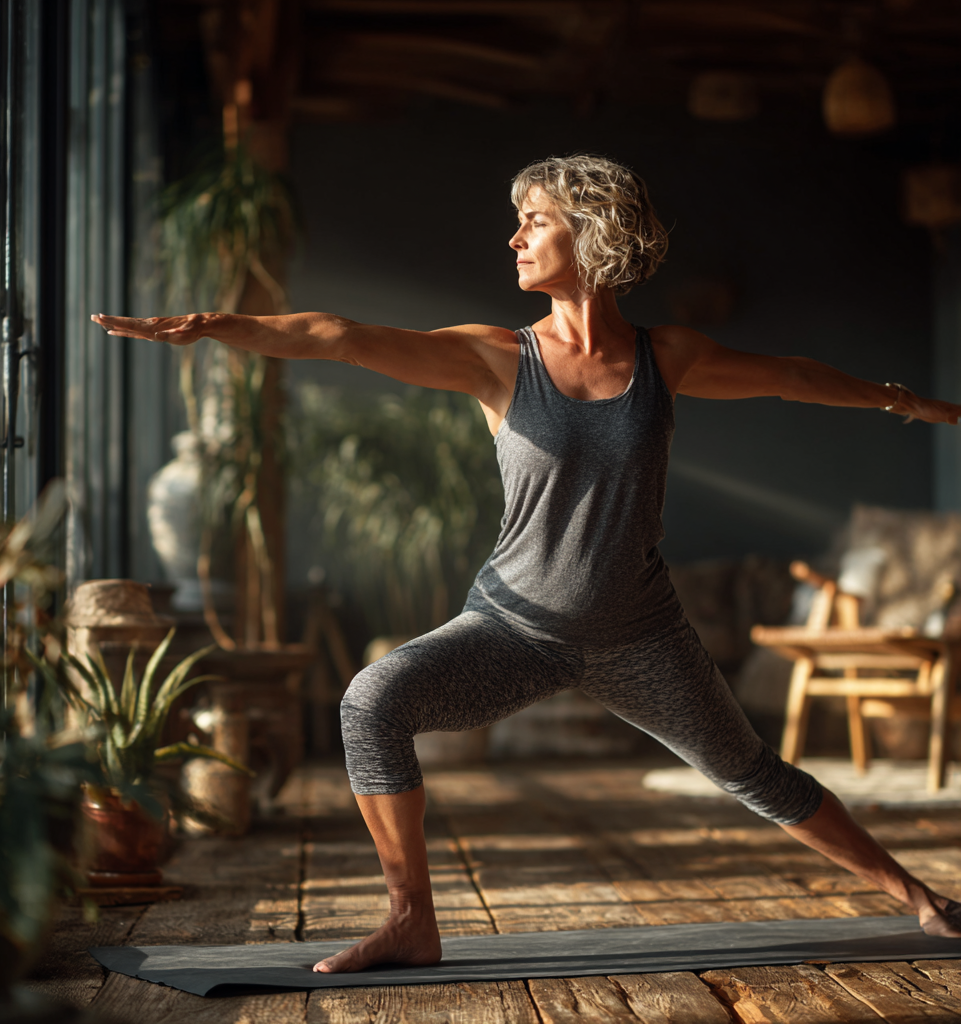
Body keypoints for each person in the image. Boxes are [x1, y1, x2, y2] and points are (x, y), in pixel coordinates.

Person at [93, 153, 961, 974]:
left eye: (535, 221)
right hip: (513, 628)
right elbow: (340, 335)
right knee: (371, 701)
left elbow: (793, 377)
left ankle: (920, 897)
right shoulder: (495, 357)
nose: (514, 238)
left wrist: (910, 402)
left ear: (592, 231)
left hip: (643, 636)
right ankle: (410, 919)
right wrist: (217, 327)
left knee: (754, 774)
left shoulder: (667, 358)